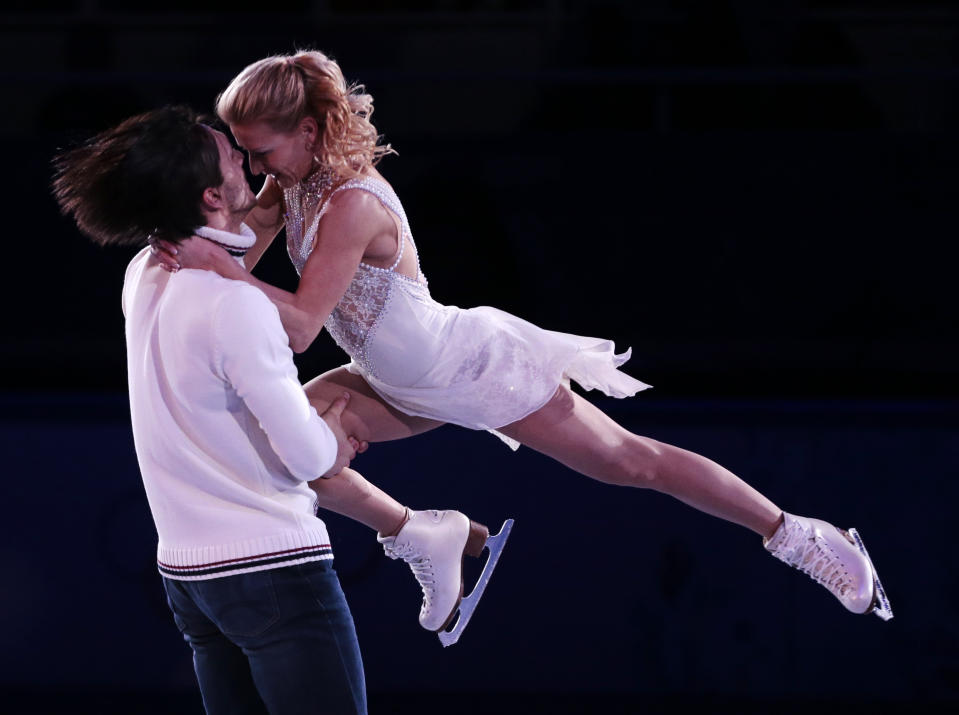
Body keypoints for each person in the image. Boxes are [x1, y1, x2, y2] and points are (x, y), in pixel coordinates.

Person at [154, 50, 892, 624]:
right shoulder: (292, 185)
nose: (253, 168)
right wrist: (189, 235)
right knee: (289, 441)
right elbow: (230, 260)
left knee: (632, 463)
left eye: (261, 152)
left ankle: (798, 534)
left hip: (469, 366)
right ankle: (426, 535)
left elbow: (298, 322)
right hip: (393, 379)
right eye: (242, 156)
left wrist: (219, 263)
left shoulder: (346, 202)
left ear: (307, 132)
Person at [51, 106, 509, 715]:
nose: (250, 162)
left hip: (187, 578)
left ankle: (415, 528)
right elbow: (308, 456)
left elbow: (229, 262)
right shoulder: (236, 307)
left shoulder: (143, 274)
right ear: (213, 194)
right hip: (271, 570)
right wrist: (332, 434)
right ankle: (415, 528)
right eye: (235, 158)